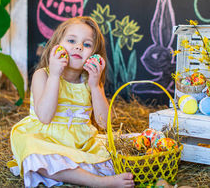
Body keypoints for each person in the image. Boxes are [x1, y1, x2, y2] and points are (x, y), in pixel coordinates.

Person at [8, 16, 134, 187]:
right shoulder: (43, 75)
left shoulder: (91, 81)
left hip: (80, 142)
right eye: (71, 40)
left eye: (87, 44)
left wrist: (96, 87)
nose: (78, 47)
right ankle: (98, 182)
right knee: (34, 154)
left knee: (121, 150)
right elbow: (44, 117)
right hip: (47, 140)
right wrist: (54, 75)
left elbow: (104, 124)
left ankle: (77, 173)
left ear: (94, 55)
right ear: (56, 46)